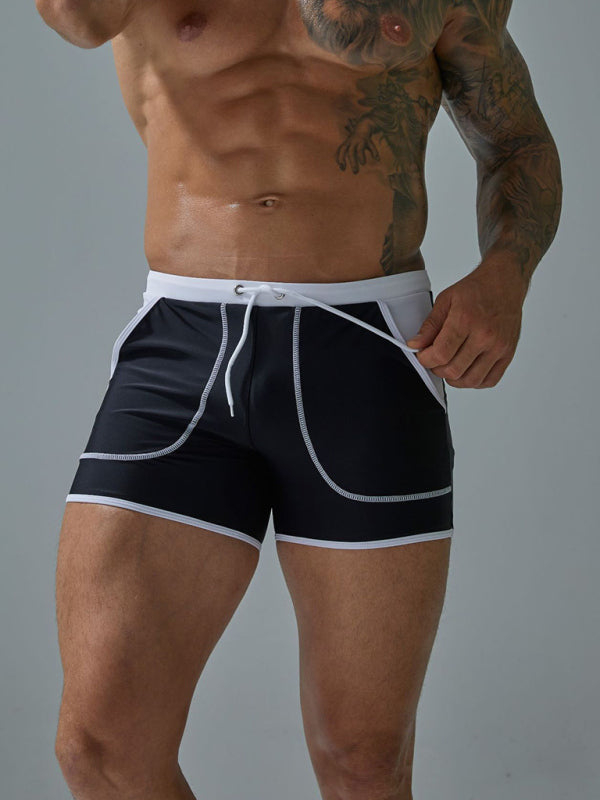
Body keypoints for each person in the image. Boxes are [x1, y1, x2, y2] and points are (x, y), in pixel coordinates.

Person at [35, 1, 561, 798]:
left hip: (369, 348)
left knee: (363, 761)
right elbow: (73, 19)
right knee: (100, 748)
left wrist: (505, 278)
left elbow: (516, 140)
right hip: (182, 349)